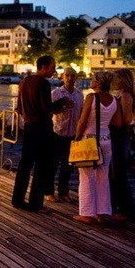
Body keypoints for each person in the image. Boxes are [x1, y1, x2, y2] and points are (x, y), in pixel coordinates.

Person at [11, 55, 67, 213]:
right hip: (41, 128)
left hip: (28, 127)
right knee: (42, 166)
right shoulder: (43, 83)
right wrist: (62, 102)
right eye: (52, 67)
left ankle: (18, 199)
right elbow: (46, 108)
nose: (54, 70)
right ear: (43, 67)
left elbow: (19, 107)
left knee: (25, 164)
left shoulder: (24, 81)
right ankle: (36, 203)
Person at [72, 72, 118, 224]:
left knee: (86, 177)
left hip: (89, 141)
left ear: (98, 83)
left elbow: (82, 121)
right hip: (106, 140)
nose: (90, 81)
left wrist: (77, 138)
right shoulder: (114, 100)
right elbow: (116, 122)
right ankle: (103, 213)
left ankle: (87, 214)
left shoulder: (91, 97)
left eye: (92, 79)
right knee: (103, 177)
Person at [45, 67, 84, 203]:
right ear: (63, 77)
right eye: (67, 75)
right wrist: (63, 107)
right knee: (53, 164)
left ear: (76, 78)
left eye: (72, 76)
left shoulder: (79, 95)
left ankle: (63, 191)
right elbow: (50, 111)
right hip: (58, 132)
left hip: (72, 134)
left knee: (68, 166)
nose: (70, 78)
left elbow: (82, 113)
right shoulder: (56, 93)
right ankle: (49, 191)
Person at [109, 68, 135, 221]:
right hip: (117, 136)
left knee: (118, 174)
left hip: (119, 136)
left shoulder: (125, 95)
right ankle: (118, 207)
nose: (113, 81)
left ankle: (125, 210)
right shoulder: (122, 94)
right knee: (115, 174)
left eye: (115, 77)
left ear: (122, 79)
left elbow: (126, 120)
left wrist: (113, 116)